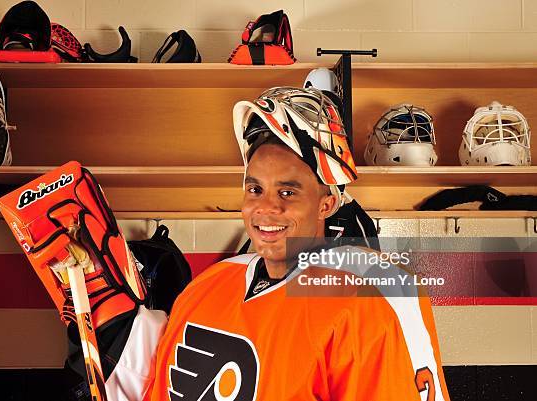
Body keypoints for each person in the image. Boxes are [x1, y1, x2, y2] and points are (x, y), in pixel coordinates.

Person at [102, 87, 450, 401]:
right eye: (255, 190)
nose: (266, 208)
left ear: (327, 203)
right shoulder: (206, 287)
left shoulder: (369, 295)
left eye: (288, 192)